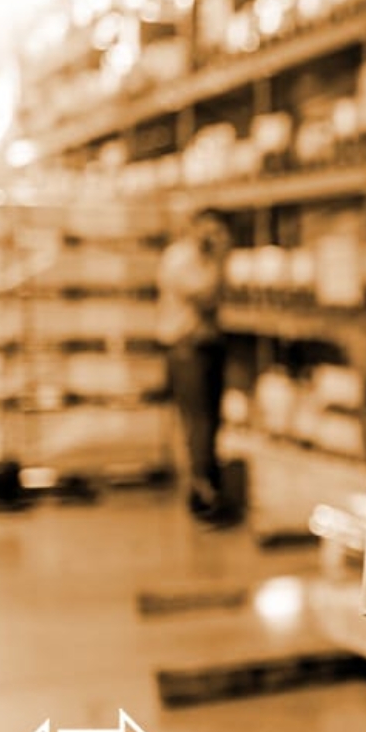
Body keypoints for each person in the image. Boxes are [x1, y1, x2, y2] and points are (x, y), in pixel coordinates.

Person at [156, 206, 233, 524]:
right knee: (198, 423)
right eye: (208, 230)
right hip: (187, 349)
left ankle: (206, 489)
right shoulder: (181, 259)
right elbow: (205, 294)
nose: (213, 236)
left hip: (208, 346)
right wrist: (218, 260)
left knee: (210, 423)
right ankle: (203, 495)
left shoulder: (206, 260)